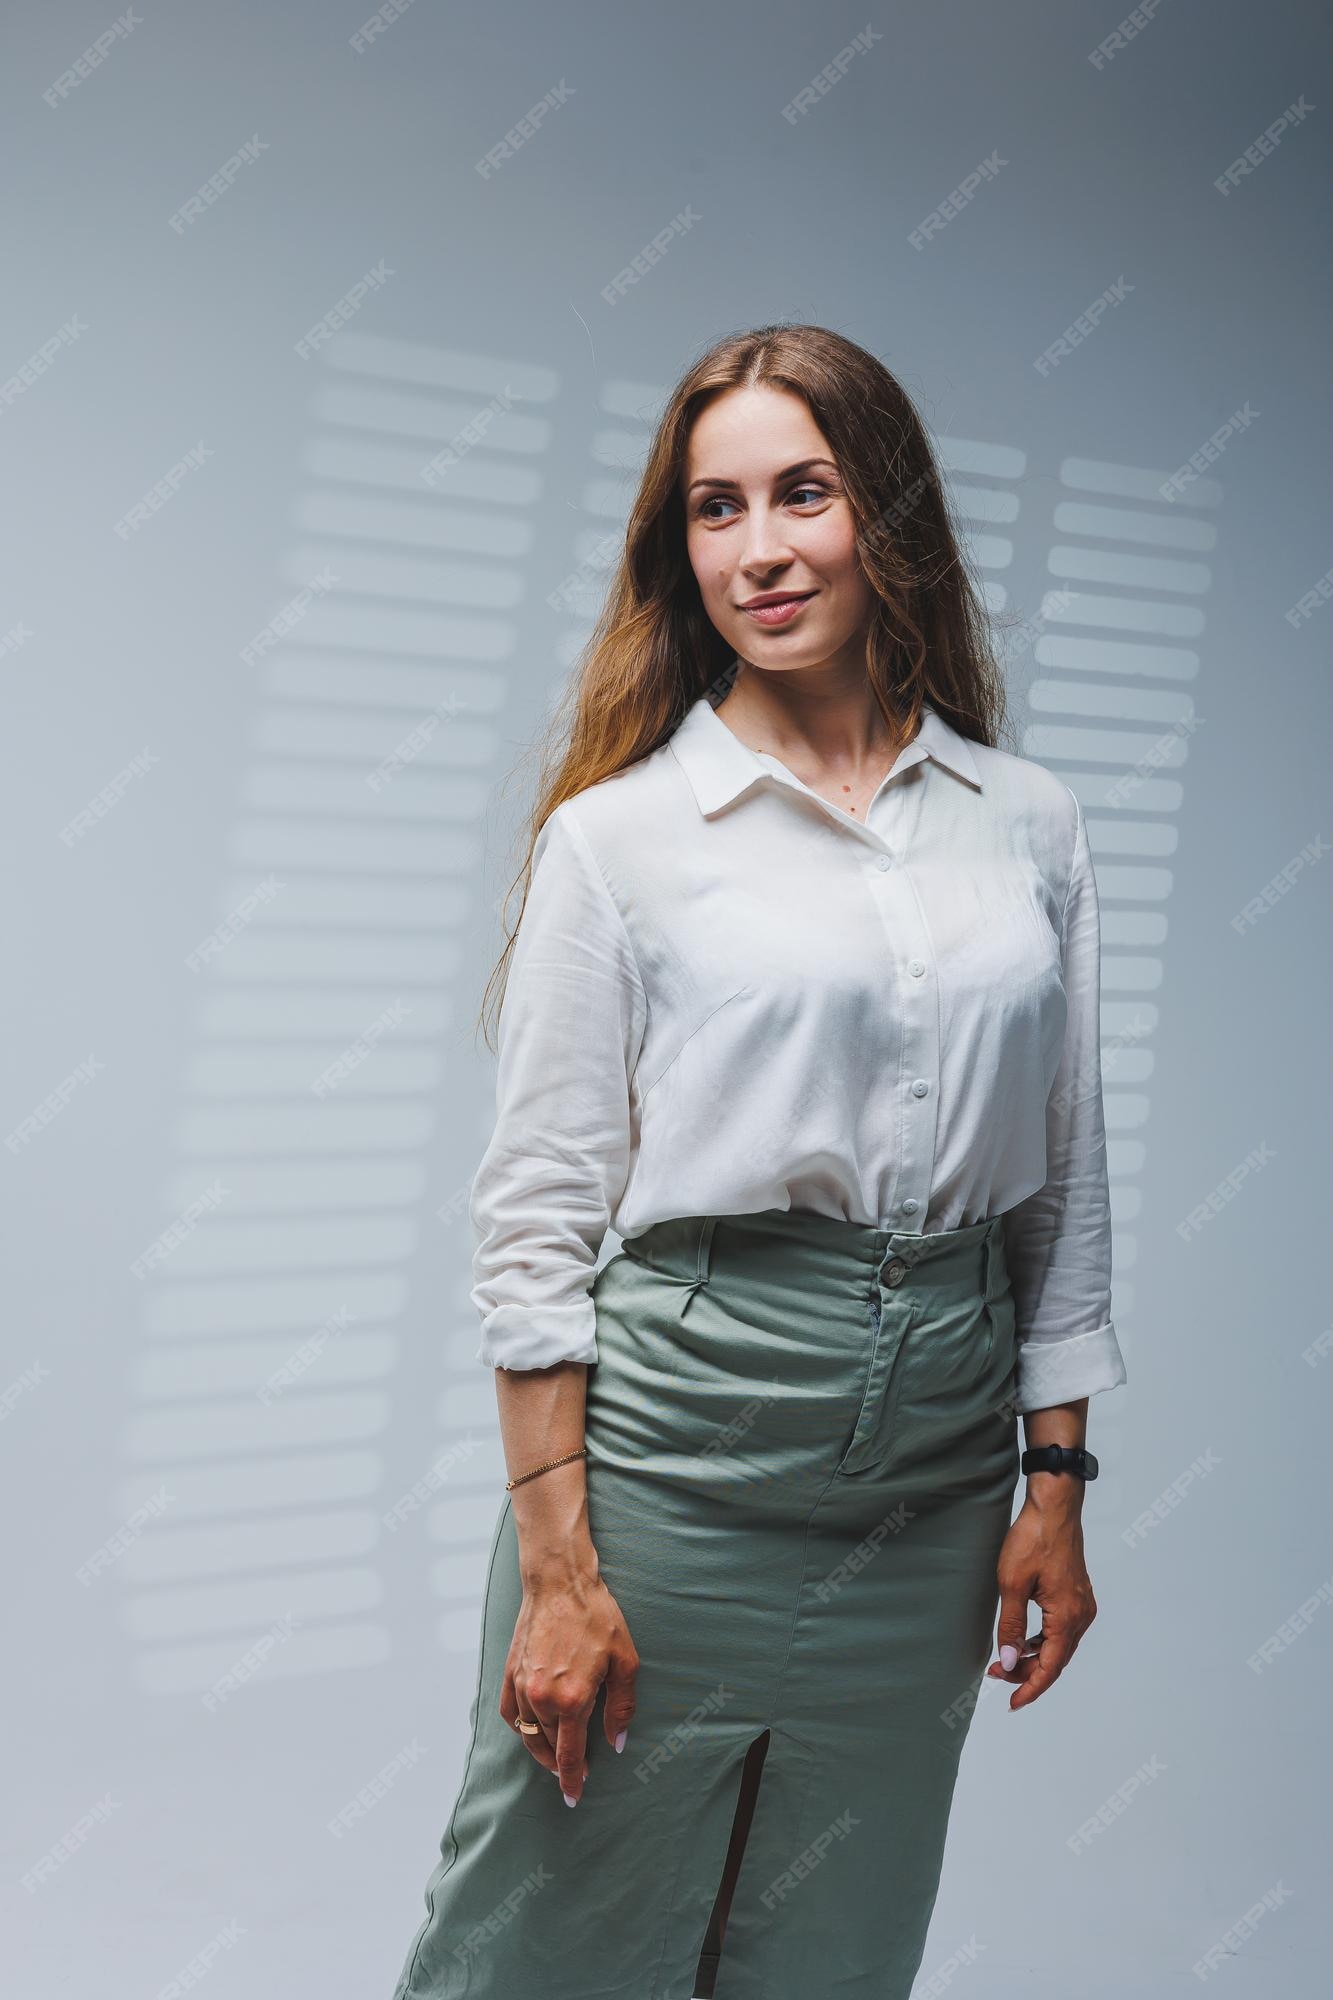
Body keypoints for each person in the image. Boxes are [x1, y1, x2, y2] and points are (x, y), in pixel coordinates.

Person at [389, 323, 1127, 2000]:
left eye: (803, 492)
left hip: (928, 1508)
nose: (761, 547)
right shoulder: (621, 841)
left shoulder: (1029, 823)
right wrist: (563, 1574)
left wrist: (1055, 1489)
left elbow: (1059, 1188)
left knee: (832, 1951)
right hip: (664, 1489)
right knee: (540, 1946)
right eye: (716, 509)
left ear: (888, 515)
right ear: (681, 549)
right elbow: (535, 1233)